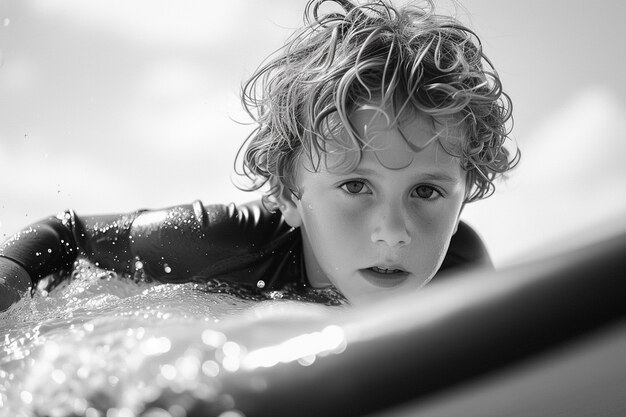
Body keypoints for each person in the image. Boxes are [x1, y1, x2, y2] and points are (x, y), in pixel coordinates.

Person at [0, 0, 518, 311]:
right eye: (356, 186)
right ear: (288, 194)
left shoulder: (464, 267)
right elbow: (62, 236)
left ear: (464, 195)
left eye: (426, 192)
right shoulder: (230, 244)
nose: (394, 230)